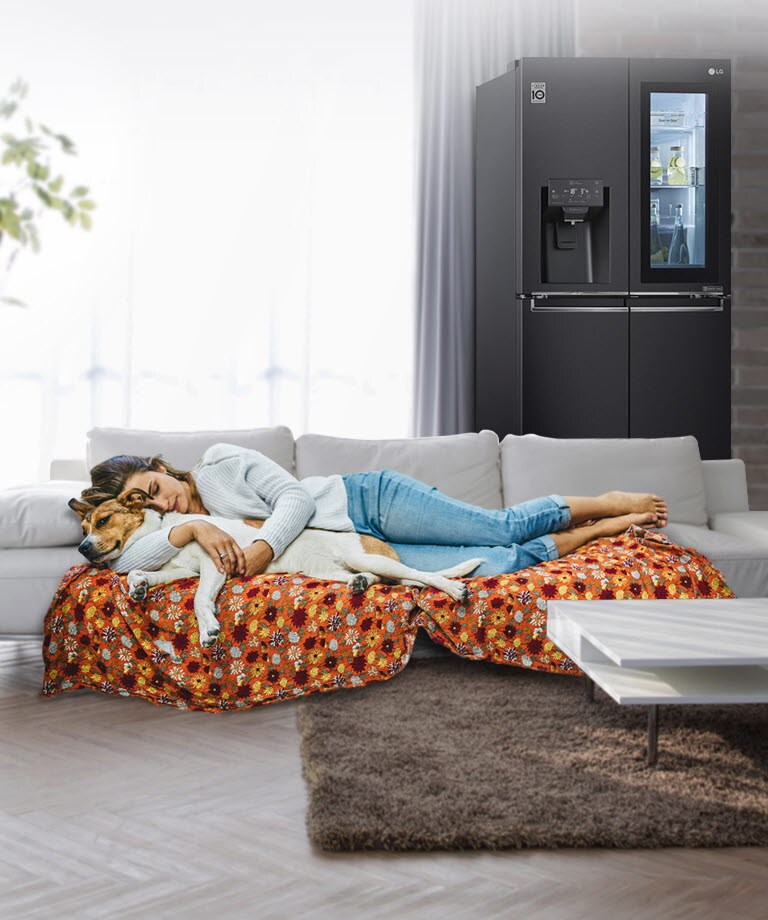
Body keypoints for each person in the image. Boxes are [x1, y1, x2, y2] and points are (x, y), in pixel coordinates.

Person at [80, 442, 668, 579]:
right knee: (496, 563)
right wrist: (190, 526)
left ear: (163, 466)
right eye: (148, 499)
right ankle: (603, 532)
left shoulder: (220, 463)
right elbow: (122, 563)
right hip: (356, 547)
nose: (163, 499)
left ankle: (605, 502)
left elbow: (296, 499)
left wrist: (262, 549)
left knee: (500, 524)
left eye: (157, 484)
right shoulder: (166, 524)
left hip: (369, 499)